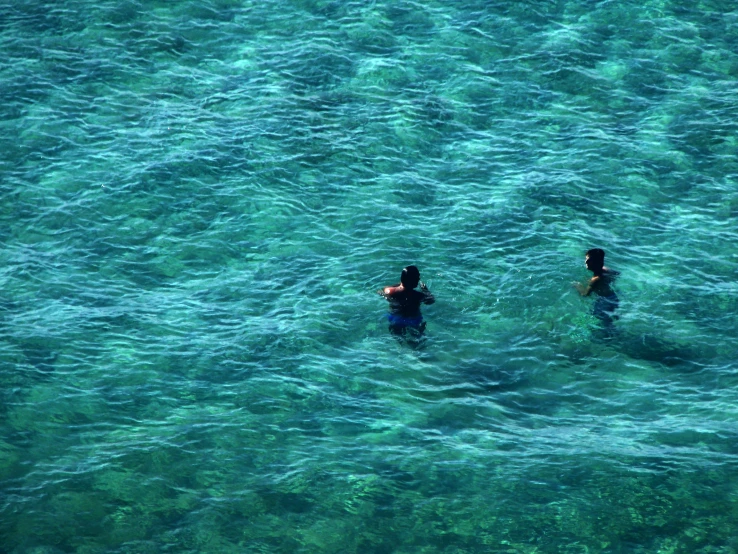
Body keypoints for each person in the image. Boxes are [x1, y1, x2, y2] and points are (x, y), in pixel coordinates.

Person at [378, 265, 435, 337]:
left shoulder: (390, 291)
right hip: (413, 320)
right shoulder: (418, 295)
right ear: (412, 280)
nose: (418, 279)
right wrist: (425, 289)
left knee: (398, 338)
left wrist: (401, 284)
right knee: (417, 343)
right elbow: (431, 300)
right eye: (417, 277)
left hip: (395, 318)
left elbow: (380, 292)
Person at [573, 248, 619, 326]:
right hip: (613, 298)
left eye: (589, 260)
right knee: (611, 320)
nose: (585, 262)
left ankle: (610, 336)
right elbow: (617, 273)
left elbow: (585, 294)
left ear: (597, 262)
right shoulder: (606, 269)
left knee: (602, 322)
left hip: (603, 302)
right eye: (586, 259)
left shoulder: (595, 279)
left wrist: (578, 286)